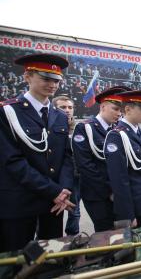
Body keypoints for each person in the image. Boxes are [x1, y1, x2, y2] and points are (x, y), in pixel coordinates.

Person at [0, 54, 75, 252]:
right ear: (27, 77)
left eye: (56, 80)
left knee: (50, 259)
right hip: (20, 201)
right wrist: (54, 191)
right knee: (15, 261)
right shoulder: (7, 112)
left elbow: (66, 157)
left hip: (54, 204)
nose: (52, 84)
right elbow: (12, 160)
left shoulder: (59, 116)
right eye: (45, 78)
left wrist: (65, 188)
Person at [72, 87, 127, 232]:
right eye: (115, 109)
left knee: (120, 233)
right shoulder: (85, 128)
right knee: (104, 233)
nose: (119, 114)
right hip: (97, 194)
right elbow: (85, 165)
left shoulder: (117, 130)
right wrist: (110, 190)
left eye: (120, 110)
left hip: (117, 193)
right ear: (102, 106)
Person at [104, 90, 141, 228]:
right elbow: (119, 180)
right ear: (127, 109)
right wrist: (127, 214)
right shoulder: (117, 136)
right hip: (132, 206)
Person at [53, 95, 80, 236]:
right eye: (62, 107)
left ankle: (72, 239)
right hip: (56, 179)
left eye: (70, 107)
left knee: (74, 212)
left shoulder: (79, 129)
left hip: (76, 178)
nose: (67, 110)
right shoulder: (49, 127)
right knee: (53, 212)